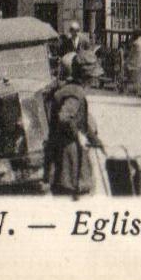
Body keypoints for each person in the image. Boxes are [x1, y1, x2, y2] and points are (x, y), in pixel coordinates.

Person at [44, 54, 102, 198]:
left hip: (61, 155)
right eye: (93, 77)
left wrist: (97, 142)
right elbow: (64, 117)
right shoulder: (75, 93)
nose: (95, 80)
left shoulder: (68, 89)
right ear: (86, 77)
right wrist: (79, 136)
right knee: (76, 196)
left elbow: (80, 121)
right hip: (70, 159)